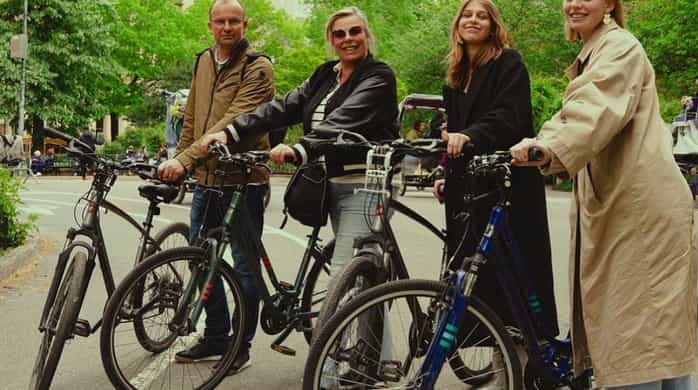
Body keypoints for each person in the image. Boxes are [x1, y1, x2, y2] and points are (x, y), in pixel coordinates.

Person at [510, 1, 698, 389]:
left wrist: (546, 146)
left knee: (637, 347)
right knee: (656, 345)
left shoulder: (620, 47)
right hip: (628, 207)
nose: (575, 3)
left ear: (610, 3)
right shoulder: (595, 51)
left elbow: (595, 107)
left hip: (641, 216)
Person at [199, 6, 398, 313]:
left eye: (355, 31)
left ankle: (331, 362)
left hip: (364, 183)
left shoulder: (379, 76)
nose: (348, 39)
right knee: (361, 281)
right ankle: (376, 359)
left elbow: (342, 121)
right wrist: (230, 132)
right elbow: (282, 107)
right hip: (327, 182)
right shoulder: (325, 75)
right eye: (339, 34)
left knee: (344, 278)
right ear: (331, 40)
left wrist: (299, 148)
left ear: (367, 35)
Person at [157, 0, 275, 373]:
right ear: (210, 25)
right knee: (199, 259)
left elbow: (231, 121)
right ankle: (216, 335)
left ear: (245, 24)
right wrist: (178, 162)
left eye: (234, 21)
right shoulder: (203, 60)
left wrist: (184, 159)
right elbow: (192, 118)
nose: (227, 27)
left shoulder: (258, 66)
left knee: (243, 267)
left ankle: (240, 344)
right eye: (220, 21)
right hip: (207, 179)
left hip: (243, 180)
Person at [432, 0, 559, 343]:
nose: (473, 20)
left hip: (509, 181)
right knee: (472, 268)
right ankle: (489, 344)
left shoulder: (508, 62)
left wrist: (469, 136)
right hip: (470, 182)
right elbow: (453, 130)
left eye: (481, 15)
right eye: (467, 14)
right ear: (458, 24)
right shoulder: (456, 74)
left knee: (517, 270)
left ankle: (532, 349)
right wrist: (444, 170)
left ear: (492, 25)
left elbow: (509, 117)